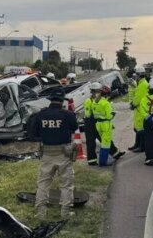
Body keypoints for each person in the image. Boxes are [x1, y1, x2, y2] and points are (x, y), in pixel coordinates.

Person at [29, 91, 78, 219]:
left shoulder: (41, 115)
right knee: (66, 185)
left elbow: (33, 134)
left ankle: (40, 214)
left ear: (50, 101)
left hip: (47, 153)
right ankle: (65, 213)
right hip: (64, 153)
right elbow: (74, 128)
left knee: (43, 184)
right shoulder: (68, 115)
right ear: (62, 101)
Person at [93, 85, 124, 166]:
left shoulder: (95, 102)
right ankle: (103, 162)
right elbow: (108, 116)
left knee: (104, 142)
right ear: (106, 94)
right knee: (105, 144)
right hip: (105, 124)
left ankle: (110, 157)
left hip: (98, 124)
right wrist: (113, 114)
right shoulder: (106, 103)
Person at [129, 66, 148, 152]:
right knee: (138, 128)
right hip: (139, 110)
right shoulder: (142, 83)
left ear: (139, 75)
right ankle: (137, 144)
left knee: (140, 129)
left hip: (140, 109)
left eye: (136, 75)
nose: (135, 77)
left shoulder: (142, 85)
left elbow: (138, 98)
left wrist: (133, 104)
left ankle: (142, 146)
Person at [84, 82, 102, 166]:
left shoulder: (101, 99)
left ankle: (115, 153)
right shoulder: (88, 101)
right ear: (93, 91)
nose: (99, 93)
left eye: (99, 91)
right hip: (90, 123)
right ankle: (92, 160)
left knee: (104, 138)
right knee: (91, 142)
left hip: (99, 122)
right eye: (97, 91)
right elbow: (87, 114)